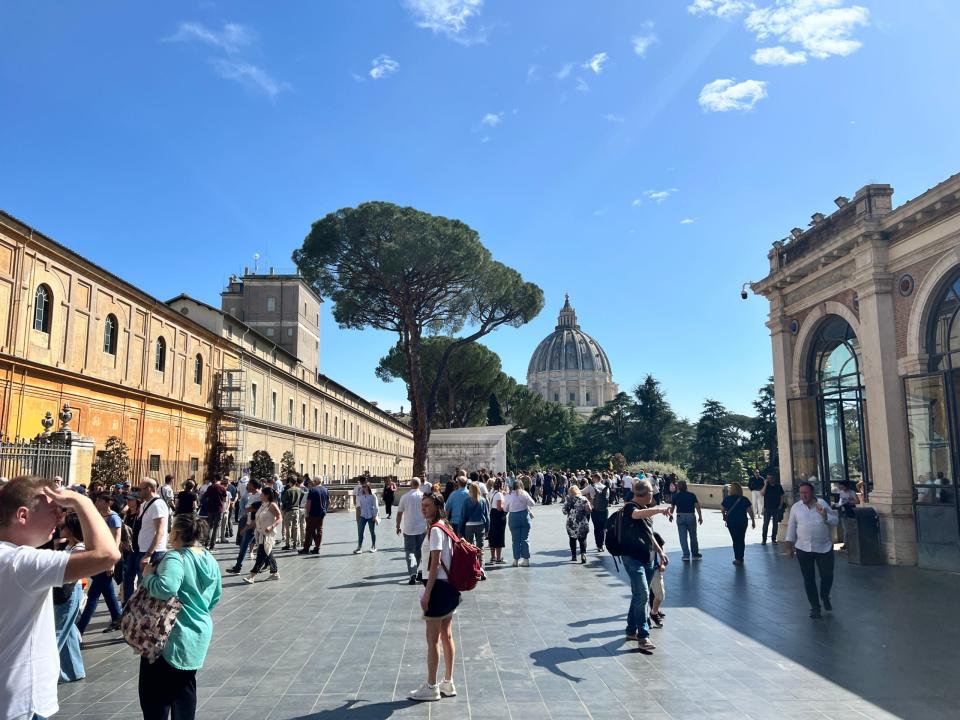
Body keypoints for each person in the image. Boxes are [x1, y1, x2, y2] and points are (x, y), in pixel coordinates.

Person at [0, 476, 120, 720]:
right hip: (22, 703)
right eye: (54, 508)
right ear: (23, 515)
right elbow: (107, 554)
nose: (60, 517)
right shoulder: (20, 562)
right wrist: (81, 501)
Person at [139, 513, 222, 719]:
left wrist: (148, 577)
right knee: (184, 689)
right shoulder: (208, 557)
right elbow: (216, 595)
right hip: (198, 631)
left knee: (155, 695)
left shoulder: (176, 557)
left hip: (169, 634)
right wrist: (198, 611)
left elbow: (166, 587)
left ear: (176, 533)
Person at [408, 492, 460, 702]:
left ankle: (431, 686)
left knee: (433, 639)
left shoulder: (436, 530)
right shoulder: (447, 527)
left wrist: (427, 593)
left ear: (438, 507)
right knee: (446, 635)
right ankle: (448, 682)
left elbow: (435, 563)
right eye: (422, 506)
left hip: (437, 588)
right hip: (450, 587)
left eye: (427, 506)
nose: (423, 509)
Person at [620, 482, 670, 651]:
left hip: (648, 559)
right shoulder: (630, 507)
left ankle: (630, 630)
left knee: (639, 595)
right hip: (633, 559)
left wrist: (660, 552)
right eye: (651, 492)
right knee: (643, 594)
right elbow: (636, 515)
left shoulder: (645, 510)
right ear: (644, 493)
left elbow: (649, 534)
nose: (653, 495)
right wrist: (660, 510)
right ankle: (643, 636)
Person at [785, 481, 839, 619]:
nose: (803, 495)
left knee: (827, 576)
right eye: (801, 492)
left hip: (824, 547)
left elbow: (835, 521)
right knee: (808, 579)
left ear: (812, 493)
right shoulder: (796, 508)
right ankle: (815, 607)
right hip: (803, 548)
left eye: (806, 492)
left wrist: (825, 515)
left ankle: (825, 595)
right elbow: (791, 527)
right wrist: (789, 545)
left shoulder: (822, 504)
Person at [77, 493, 125, 635]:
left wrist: (112, 562)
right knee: (109, 593)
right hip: (98, 557)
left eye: (99, 500)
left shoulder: (114, 518)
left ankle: (79, 629)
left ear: (108, 502)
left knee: (93, 596)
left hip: (106, 559)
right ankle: (118, 618)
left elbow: (116, 540)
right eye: (96, 499)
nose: (97, 501)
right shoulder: (98, 515)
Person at [53, 513, 86, 682]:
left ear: (72, 529)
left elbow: (71, 573)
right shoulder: (69, 546)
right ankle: (75, 671)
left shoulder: (78, 549)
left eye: (64, 527)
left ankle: (46, 670)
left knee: (58, 632)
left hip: (70, 590)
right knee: (69, 630)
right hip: (68, 589)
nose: (60, 529)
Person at [133, 479, 169, 594]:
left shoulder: (158, 504)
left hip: (153, 553)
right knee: (142, 587)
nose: (139, 492)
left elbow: (160, 531)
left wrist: (148, 554)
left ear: (150, 489)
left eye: (141, 489)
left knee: (148, 588)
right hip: (143, 550)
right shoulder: (145, 504)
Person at [243, 486, 281, 584]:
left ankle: (252, 575)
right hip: (260, 533)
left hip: (268, 534)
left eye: (262, 494)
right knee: (268, 552)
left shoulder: (272, 505)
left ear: (267, 495)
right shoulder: (263, 505)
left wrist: (272, 527)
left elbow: (280, 518)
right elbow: (257, 518)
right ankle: (275, 573)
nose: (260, 495)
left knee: (261, 554)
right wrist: (248, 527)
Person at [396, 478, 427, 584]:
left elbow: (399, 512)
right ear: (419, 485)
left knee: (409, 551)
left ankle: (412, 572)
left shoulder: (405, 497)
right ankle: (417, 569)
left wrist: (398, 526)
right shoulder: (423, 496)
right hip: (421, 528)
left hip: (409, 528)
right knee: (419, 551)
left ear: (411, 485)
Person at [226, 479, 261, 574]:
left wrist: (247, 527)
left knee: (263, 548)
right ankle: (238, 567)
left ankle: (271, 567)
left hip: (255, 526)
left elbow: (255, 513)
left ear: (253, 486)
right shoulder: (252, 495)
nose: (246, 486)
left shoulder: (259, 497)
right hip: (250, 524)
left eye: (248, 484)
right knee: (244, 546)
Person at [503, 475, 536, 567]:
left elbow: (505, 509)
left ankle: (516, 560)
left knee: (515, 539)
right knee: (525, 539)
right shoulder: (524, 493)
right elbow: (532, 503)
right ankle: (526, 559)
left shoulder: (509, 496)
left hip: (513, 517)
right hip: (524, 516)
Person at [721, 482, 755, 566]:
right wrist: (753, 521)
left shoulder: (727, 499)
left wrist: (724, 516)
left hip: (731, 522)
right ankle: (741, 557)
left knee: (735, 540)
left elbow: (722, 509)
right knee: (741, 539)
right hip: (742, 521)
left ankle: (737, 558)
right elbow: (750, 511)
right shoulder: (744, 499)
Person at [668, 480, 703, 561]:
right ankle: (695, 554)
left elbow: (672, 507)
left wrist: (670, 515)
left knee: (682, 537)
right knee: (693, 536)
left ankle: (686, 555)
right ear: (686, 486)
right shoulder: (692, 495)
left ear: (678, 487)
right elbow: (697, 506)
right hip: (691, 515)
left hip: (680, 516)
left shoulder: (675, 496)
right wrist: (700, 517)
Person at [462, 482, 489, 571]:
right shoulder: (483, 500)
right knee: (480, 547)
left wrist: (460, 529)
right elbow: (486, 515)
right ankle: (481, 567)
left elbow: (463, 516)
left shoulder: (466, 501)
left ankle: (471, 566)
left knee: (469, 547)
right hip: (480, 524)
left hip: (469, 525)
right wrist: (488, 528)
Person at [562, 485, 592, 564]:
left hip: (571, 523)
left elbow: (564, 512)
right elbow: (589, 510)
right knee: (582, 539)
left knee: (572, 539)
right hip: (582, 522)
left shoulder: (568, 500)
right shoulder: (584, 499)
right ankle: (583, 554)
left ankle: (574, 556)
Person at [299, 477, 329, 555]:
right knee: (319, 530)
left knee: (309, 531)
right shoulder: (325, 489)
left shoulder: (312, 490)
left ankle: (306, 548)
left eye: (313, 481)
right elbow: (329, 501)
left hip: (313, 513)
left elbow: (309, 503)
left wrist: (307, 513)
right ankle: (317, 548)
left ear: (316, 481)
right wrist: (325, 509)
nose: (313, 482)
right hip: (322, 513)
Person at [586, 473, 610, 551]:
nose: (592, 479)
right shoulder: (605, 487)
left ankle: (598, 545)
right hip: (604, 510)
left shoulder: (591, 487)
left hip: (595, 510)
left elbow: (580, 492)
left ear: (595, 479)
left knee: (597, 528)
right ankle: (602, 544)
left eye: (593, 478)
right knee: (603, 528)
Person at [760, 473, 787, 545]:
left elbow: (782, 496)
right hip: (767, 508)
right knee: (765, 524)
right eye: (768, 478)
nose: (769, 480)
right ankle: (764, 539)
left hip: (776, 508)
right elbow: (762, 493)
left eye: (771, 478)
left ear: (774, 478)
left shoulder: (778, 486)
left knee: (775, 524)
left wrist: (780, 505)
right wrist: (765, 484)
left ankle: (774, 539)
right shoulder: (766, 486)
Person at [487, 478, 507, 566]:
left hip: (492, 514)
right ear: (501, 485)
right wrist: (505, 506)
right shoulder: (499, 494)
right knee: (499, 536)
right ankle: (498, 558)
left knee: (492, 535)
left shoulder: (492, 492)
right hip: (498, 516)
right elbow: (499, 507)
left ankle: (492, 557)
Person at [354, 483, 380, 553]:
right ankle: (359, 547)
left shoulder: (372, 496)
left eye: (364, 486)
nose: (363, 488)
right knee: (360, 531)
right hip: (362, 516)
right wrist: (358, 516)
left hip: (371, 516)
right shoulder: (360, 496)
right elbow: (358, 506)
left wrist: (374, 516)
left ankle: (374, 546)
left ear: (368, 487)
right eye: (362, 486)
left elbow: (376, 506)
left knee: (372, 531)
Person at [204, 476, 227, 550]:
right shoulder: (222, 488)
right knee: (216, 527)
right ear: (220, 480)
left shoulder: (210, 487)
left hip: (210, 509)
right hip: (219, 509)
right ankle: (212, 545)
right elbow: (224, 499)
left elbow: (206, 496)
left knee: (209, 526)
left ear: (215, 479)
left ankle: (206, 543)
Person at [281, 476, 303, 551]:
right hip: (296, 509)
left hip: (289, 510)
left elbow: (283, 500)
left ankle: (288, 544)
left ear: (290, 482)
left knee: (288, 527)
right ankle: (295, 543)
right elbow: (303, 495)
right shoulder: (299, 490)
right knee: (296, 527)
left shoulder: (288, 491)